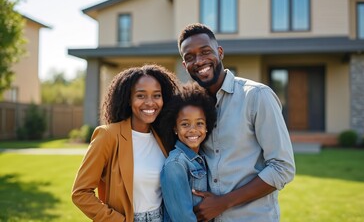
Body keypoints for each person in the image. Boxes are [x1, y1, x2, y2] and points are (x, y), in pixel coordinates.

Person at [177, 23, 296, 222]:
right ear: (184, 65)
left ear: (220, 52)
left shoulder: (257, 96)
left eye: (205, 52)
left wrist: (223, 202)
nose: (199, 61)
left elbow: (282, 168)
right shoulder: (191, 107)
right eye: (190, 57)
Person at [71, 64, 179, 222]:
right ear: (129, 99)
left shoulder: (163, 138)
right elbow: (80, 193)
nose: (150, 103)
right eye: (141, 96)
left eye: (156, 95)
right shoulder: (108, 136)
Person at [159, 82, 217, 222]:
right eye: (185, 124)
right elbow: (183, 218)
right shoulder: (175, 164)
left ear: (207, 126)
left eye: (199, 123)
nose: (193, 130)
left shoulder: (204, 157)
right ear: (175, 128)